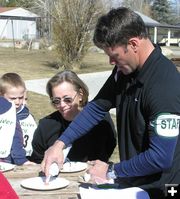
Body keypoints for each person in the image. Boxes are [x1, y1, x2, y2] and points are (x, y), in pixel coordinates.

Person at [41, 7, 180, 199]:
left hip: (161, 189)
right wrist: (60, 143)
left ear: (133, 44)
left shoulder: (164, 86)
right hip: (134, 183)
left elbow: (160, 158)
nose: (110, 62)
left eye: (114, 56)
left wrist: (111, 170)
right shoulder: (124, 72)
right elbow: (97, 107)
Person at [30, 70, 116, 164]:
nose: (62, 105)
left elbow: (109, 146)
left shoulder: (101, 119)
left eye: (67, 99)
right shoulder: (46, 125)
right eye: (56, 101)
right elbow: (38, 159)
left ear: (80, 94)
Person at [0, 73, 36, 164]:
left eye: (20, 98)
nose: (17, 102)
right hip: (6, 158)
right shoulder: (6, 114)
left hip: (22, 158)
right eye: (13, 98)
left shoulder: (27, 115)